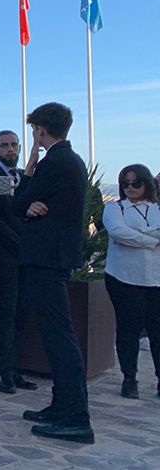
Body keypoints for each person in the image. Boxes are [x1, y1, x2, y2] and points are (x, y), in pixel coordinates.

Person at [14, 102, 93, 444]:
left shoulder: (55, 162)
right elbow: (26, 203)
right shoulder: (70, 160)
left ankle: (75, 416)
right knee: (55, 334)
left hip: (47, 258)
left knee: (59, 336)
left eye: (34, 131)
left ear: (40, 130)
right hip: (53, 256)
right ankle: (62, 406)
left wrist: (30, 165)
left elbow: (19, 200)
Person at [0, 131, 38, 394]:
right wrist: (19, 242)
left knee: (23, 311)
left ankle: (18, 367)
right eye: (5, 145)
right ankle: (4, 371)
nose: (10, 149)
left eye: (14, 145)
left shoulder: (25, 177)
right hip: (3, 254)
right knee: (6, 312)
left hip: (27, 255)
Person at [103, 164, 160, 399]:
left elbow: (128, 236)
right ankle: (129, 378)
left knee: (158, 331)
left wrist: (136, 236)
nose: (130, 188)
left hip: (156, 279)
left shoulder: (157, 208)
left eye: (135, 183)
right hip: (123, 277)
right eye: (126, 183)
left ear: (146, 183)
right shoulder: (114, 208)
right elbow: (118, 233)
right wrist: (151, 239)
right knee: (128, 330)